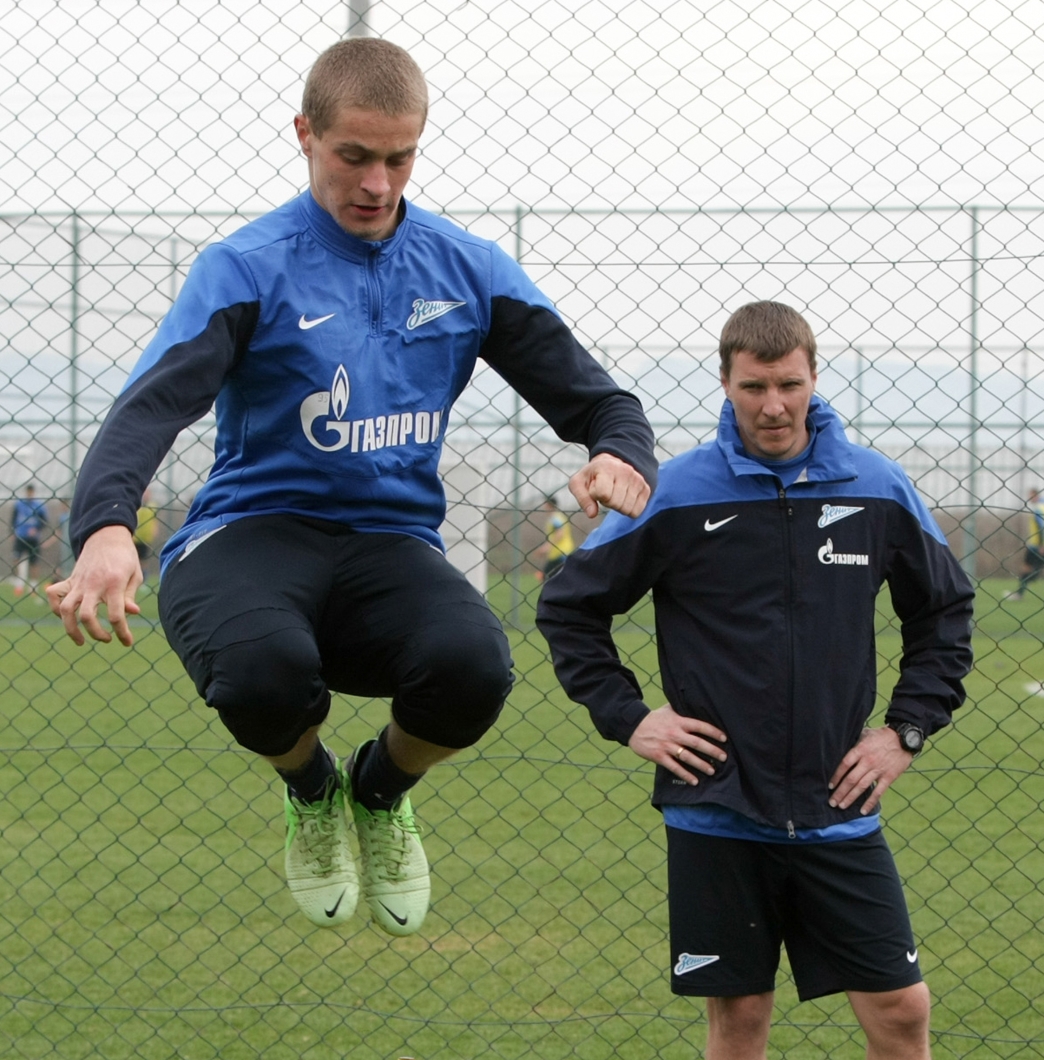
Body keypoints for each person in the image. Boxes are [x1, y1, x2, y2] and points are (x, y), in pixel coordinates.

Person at [48, 37, 655, 937]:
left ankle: (376, 793)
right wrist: (103, 526)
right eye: (355, 157)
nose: (378, 183)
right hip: (251, 532)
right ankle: (312, 789)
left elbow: (599, 397)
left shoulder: (467, 267)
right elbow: (151, 406)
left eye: (400, 158)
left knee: (476, 668)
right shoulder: (247, 265)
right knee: (261, 672)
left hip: (391, 545)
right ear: (305, 135)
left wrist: (621, 451)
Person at [538, 300, 1017, 1060]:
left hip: (841, 810)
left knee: (899, 1010)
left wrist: (905, 730)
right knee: (739, 1014)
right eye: (752, 387)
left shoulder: (874, 487)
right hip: (717, 810)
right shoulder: (673, 494)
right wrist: (632, 720)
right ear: (725, 385)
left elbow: (946, 609)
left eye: (788, 383)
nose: (772, 405)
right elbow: (570, 606)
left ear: (813, 376)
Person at [1008, 487, 1044, 599]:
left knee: (1027, 567)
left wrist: (1041, 544)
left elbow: (1041, 526)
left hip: (1037, 545)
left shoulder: (1038, 508)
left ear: (1036, 495)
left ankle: (1020, 593)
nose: (1029, 498)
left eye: (1031, 496)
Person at [11, 484, 50, 597]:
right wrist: (12, 532)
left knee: (34, 563)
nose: (29, 494)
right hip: (20, 536)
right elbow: (13, 519)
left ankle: (33, 587)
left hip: (33, 539)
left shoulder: (39, 506)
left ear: (33, 492)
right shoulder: (19, 504)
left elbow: (44, 522)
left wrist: (36, 529)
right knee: (16, 560)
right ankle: (19, 585)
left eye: (31, 492)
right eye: (28, 492)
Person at [537, 494, 575, 580]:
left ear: (549, 505)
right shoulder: (556, 517)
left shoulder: (555, 518)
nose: (544, 507)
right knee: (551, 578)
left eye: (545, 504)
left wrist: (546, 547)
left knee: (548, 577)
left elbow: (559, 533)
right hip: (557, 553)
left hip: (561, 553)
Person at [134, 489, 159, 567]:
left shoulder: (153, 505)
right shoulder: (136, 505)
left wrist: (155, 529)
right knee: (134, 558)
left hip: (146, 537)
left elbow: (155, 520)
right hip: (134, 537)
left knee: (143, 559)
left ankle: (144, 576)